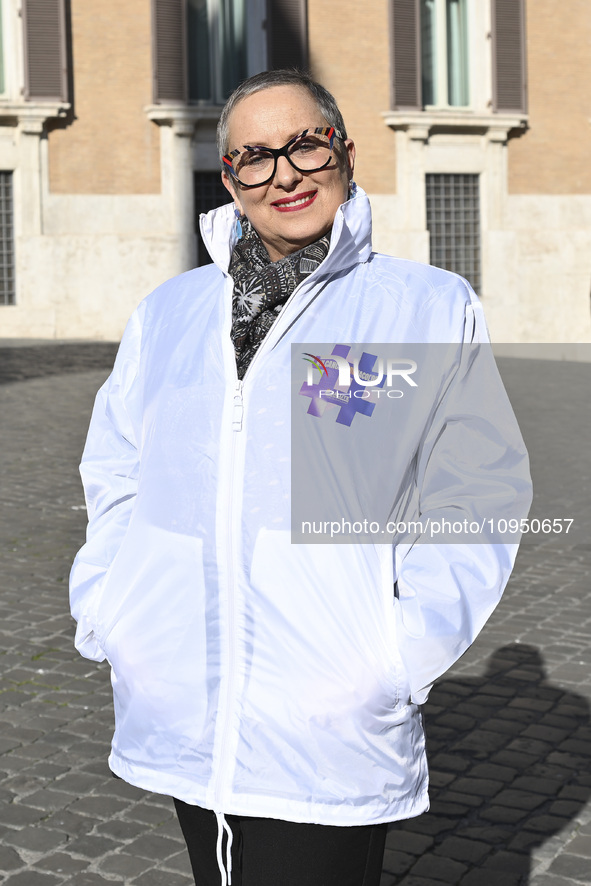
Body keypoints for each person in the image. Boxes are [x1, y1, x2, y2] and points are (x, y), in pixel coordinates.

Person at [69, 70, 532, 886]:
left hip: (324, 721)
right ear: (230, 180)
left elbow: (477, 494)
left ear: (344, 153)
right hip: (181, 701)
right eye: (253, 156)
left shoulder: (417, 305)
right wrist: (111, 611)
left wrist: (391, 657)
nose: (282, 174)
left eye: (303, 145)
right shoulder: (171, 312)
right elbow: (118, 471)